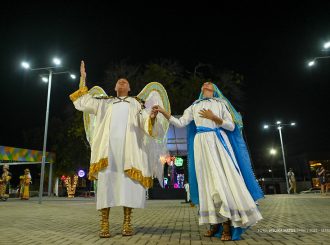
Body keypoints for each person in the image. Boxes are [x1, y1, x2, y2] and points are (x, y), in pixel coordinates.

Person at [154, 81, 263, 241]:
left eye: (209, 84)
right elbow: (180, 122)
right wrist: (163, 111)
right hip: (201, 144)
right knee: (206, 182)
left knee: (221, 180)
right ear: (201, 89)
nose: (206, 84)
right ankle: (215, 224)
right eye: (204, 84)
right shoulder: (194, 106)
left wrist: (214, 118)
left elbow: (231, 126)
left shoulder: (221, 103)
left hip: (217, 142)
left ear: (214, 90)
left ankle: (227, 224)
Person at [69, 61, 164, 238]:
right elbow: (83, 102)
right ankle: (104, 224)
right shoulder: (105, 103)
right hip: (108, 152)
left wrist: (151, 116)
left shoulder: (136, 103)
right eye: (119, 81)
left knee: (128, 186)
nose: (122, 82)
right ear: (114, 87)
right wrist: (83, 79)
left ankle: (127, 223)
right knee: (107, 186)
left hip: (129, 152)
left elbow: (145, 121)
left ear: (129, 88)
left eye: (125, 82)